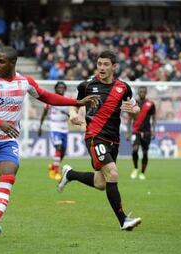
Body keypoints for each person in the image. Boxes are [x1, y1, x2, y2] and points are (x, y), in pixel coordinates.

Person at [0, 46, 99, 241]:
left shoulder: (24, 82)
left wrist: (76, 103)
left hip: (7, 142)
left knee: (9, 176)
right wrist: (0, 123)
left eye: (1, 61)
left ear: (12, 63)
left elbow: (46, 96)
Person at [57, 50, 142, 231]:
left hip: (114, 139)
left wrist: (134, 110)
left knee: (101, 183)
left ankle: (69, 174)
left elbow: (135, 107)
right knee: (112, 173)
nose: (101, 68)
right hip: (95, 136)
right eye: (99, 64)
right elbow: (74, 104)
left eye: (106, 64)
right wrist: (73, 115)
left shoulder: (123, 87)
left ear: (114, 66)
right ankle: (123, 220)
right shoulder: (87, 85)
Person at [37, 81, 69, 181]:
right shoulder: (50, 100)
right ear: (55, 89)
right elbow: (44, 113)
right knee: (58, 147)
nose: (61, 89)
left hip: (64, 128)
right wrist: (40, 126)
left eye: (63, 87)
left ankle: (53, 165)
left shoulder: (68, 100)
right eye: (59, 87)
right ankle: (55, 172)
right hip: (55, 127)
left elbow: (72, 112)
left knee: (63, 152)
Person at [126, 86, 156, 180]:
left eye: (144, 91)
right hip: (136, 131)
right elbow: (130, 119)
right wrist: (128, 132)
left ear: (146, 92)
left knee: (145, 152)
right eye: (140, 91)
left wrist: (154, 130)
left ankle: (142, 173)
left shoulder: (150, 104)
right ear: (138, 93)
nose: (142, 93)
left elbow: (154, 118)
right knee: (135, 150)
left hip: (147, 132)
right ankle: (135, 169)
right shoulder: (134, 103)